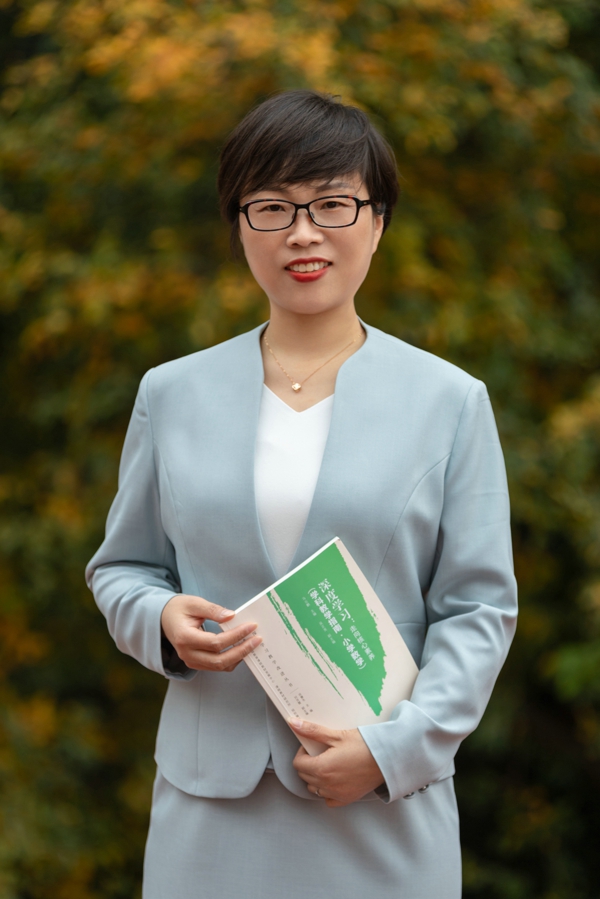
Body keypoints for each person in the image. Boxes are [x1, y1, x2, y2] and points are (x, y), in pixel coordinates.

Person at [86, 90, 518, 899]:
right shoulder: (171, 393)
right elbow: (123, 568)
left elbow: (479, 609)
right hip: (209, 810)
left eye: (332, 204)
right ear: (239, 224)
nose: (304, 232)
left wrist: (395, 749)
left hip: (379, 803)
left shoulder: (451, 401)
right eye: (273, 207)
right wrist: (162, 621)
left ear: (377, 221)